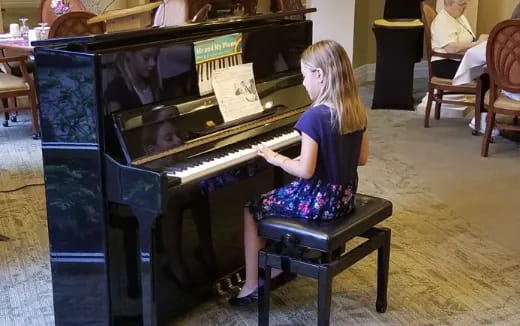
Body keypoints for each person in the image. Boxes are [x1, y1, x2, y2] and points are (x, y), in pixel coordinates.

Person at [228, 40, 369, 306]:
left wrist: (276, 158)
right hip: (343, 199)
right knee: (281, 195)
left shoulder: (314, 117)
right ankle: (280, 264)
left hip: (318, 202)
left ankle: (250, 285)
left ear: (320, 75)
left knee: (252, 209)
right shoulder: (356, 110)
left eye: (304, 76)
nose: (303, 83)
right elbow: (361, 158)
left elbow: (305, 171)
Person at [430, 0, 487, 79]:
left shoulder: (460, 17)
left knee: (491, 68)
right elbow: (451, 48)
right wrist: (477, 43)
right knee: (486, 73)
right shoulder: (442, 20)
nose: (464, 8)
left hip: (459, 59)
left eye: (465, 4)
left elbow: (469, 39)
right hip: (445, 63)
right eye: (461, 4)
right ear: (448, 4)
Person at [105, 47, 162, 112]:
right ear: (128, 53)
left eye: (155, 57)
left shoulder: (153, 86)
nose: (153, 63)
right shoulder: (116, 89)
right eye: (146, 58)